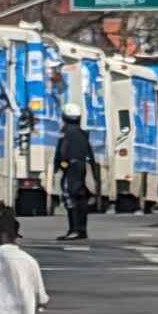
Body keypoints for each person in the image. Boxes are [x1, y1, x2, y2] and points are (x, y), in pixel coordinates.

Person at [55, 102, 98, 241]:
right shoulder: (83, 134)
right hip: (83, 168)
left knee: (70, 199)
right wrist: (95, 174)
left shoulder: (65, 133)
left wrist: (61, 165)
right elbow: (90, 154)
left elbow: (61, 153)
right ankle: (82, 229)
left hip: (71, 169)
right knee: (82, 200)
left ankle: (74, 229)